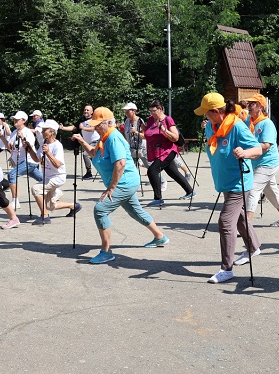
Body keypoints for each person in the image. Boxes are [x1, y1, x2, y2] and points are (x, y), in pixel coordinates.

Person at [72, 107, 168, 264]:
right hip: (125, 183)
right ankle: (160, 237)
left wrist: (111, 188)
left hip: (124, 183)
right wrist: (82, 141)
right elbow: (95, 155)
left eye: (98, 124)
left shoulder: (113, 138)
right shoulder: (104, 138)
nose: (95, 127)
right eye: (94, 124)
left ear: (110, 123)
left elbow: (120, 163)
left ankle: (106, 251)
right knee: (136, 212)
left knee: (100, 209)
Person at [194, 93, 263, 284]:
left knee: (225, 222)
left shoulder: (237, 126)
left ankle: (226, 269)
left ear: (216, 112)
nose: (204, 117)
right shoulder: (211, 125)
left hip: (238, 182)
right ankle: (254, 246)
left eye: (206, 114)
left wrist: (244, 152)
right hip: (224, 181)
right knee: (239, 216)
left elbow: (257, 149)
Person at [244, 93, 279, 227]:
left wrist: (247, 150)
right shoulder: (249, 121)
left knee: (252, 190)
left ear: (260, 106)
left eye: (252, 104)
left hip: (268, 163)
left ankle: (246, 226)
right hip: (257, 163)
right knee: (271, 191)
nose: (248, 107)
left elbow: (266, 146)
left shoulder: (267, 124)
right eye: (248, 104)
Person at [143, 99, 195, 206]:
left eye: (154, 111)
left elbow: (175, 137)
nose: (152, 113)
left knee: (152, 171)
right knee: (173, 172)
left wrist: (163, 129)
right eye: (150, 111)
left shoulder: (168, 120)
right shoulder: (150, 120)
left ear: (160, 109)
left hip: (167, 151)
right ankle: (190, 191)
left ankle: (158, 199)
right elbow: (147, 133)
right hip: (156, 152)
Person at [30, 120, 80, 224]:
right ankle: (74, 206)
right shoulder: (43, 143)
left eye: (44, 130)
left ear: (52, 132)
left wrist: (48, 153)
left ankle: (45, 217)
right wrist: (29, 149)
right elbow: (37, 159)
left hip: (57, 177)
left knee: (36, 188)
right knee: (49, 206)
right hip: (47, 177)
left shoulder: (57, 146)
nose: (42, 132)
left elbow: (58, 165)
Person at [6, 111, 43, 203]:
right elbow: (10, 148)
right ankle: (55, 191)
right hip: (20, 162)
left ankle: (15, 201)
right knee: (42, 179)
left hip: (29, 161)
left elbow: (29, 147)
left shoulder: (27, 132)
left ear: (24, 120)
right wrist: (3, 139)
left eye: (17, 119)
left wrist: (22, 138)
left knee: (11, 175)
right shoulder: (14, 132)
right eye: (14, 119)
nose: (15, 121)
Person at [59, 105, 99, 180]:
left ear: (92, 112)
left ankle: (89, 173)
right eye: (85, 110)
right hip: (86, 142)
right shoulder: (81, 120)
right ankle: (100, 168)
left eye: (87, 110)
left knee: (86, 155)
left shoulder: (94, 119)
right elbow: (73, 127)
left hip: (95, 141)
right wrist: (63, 127)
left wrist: (83, 128)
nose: (86, 111)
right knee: (94, 157)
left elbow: (93, 129)